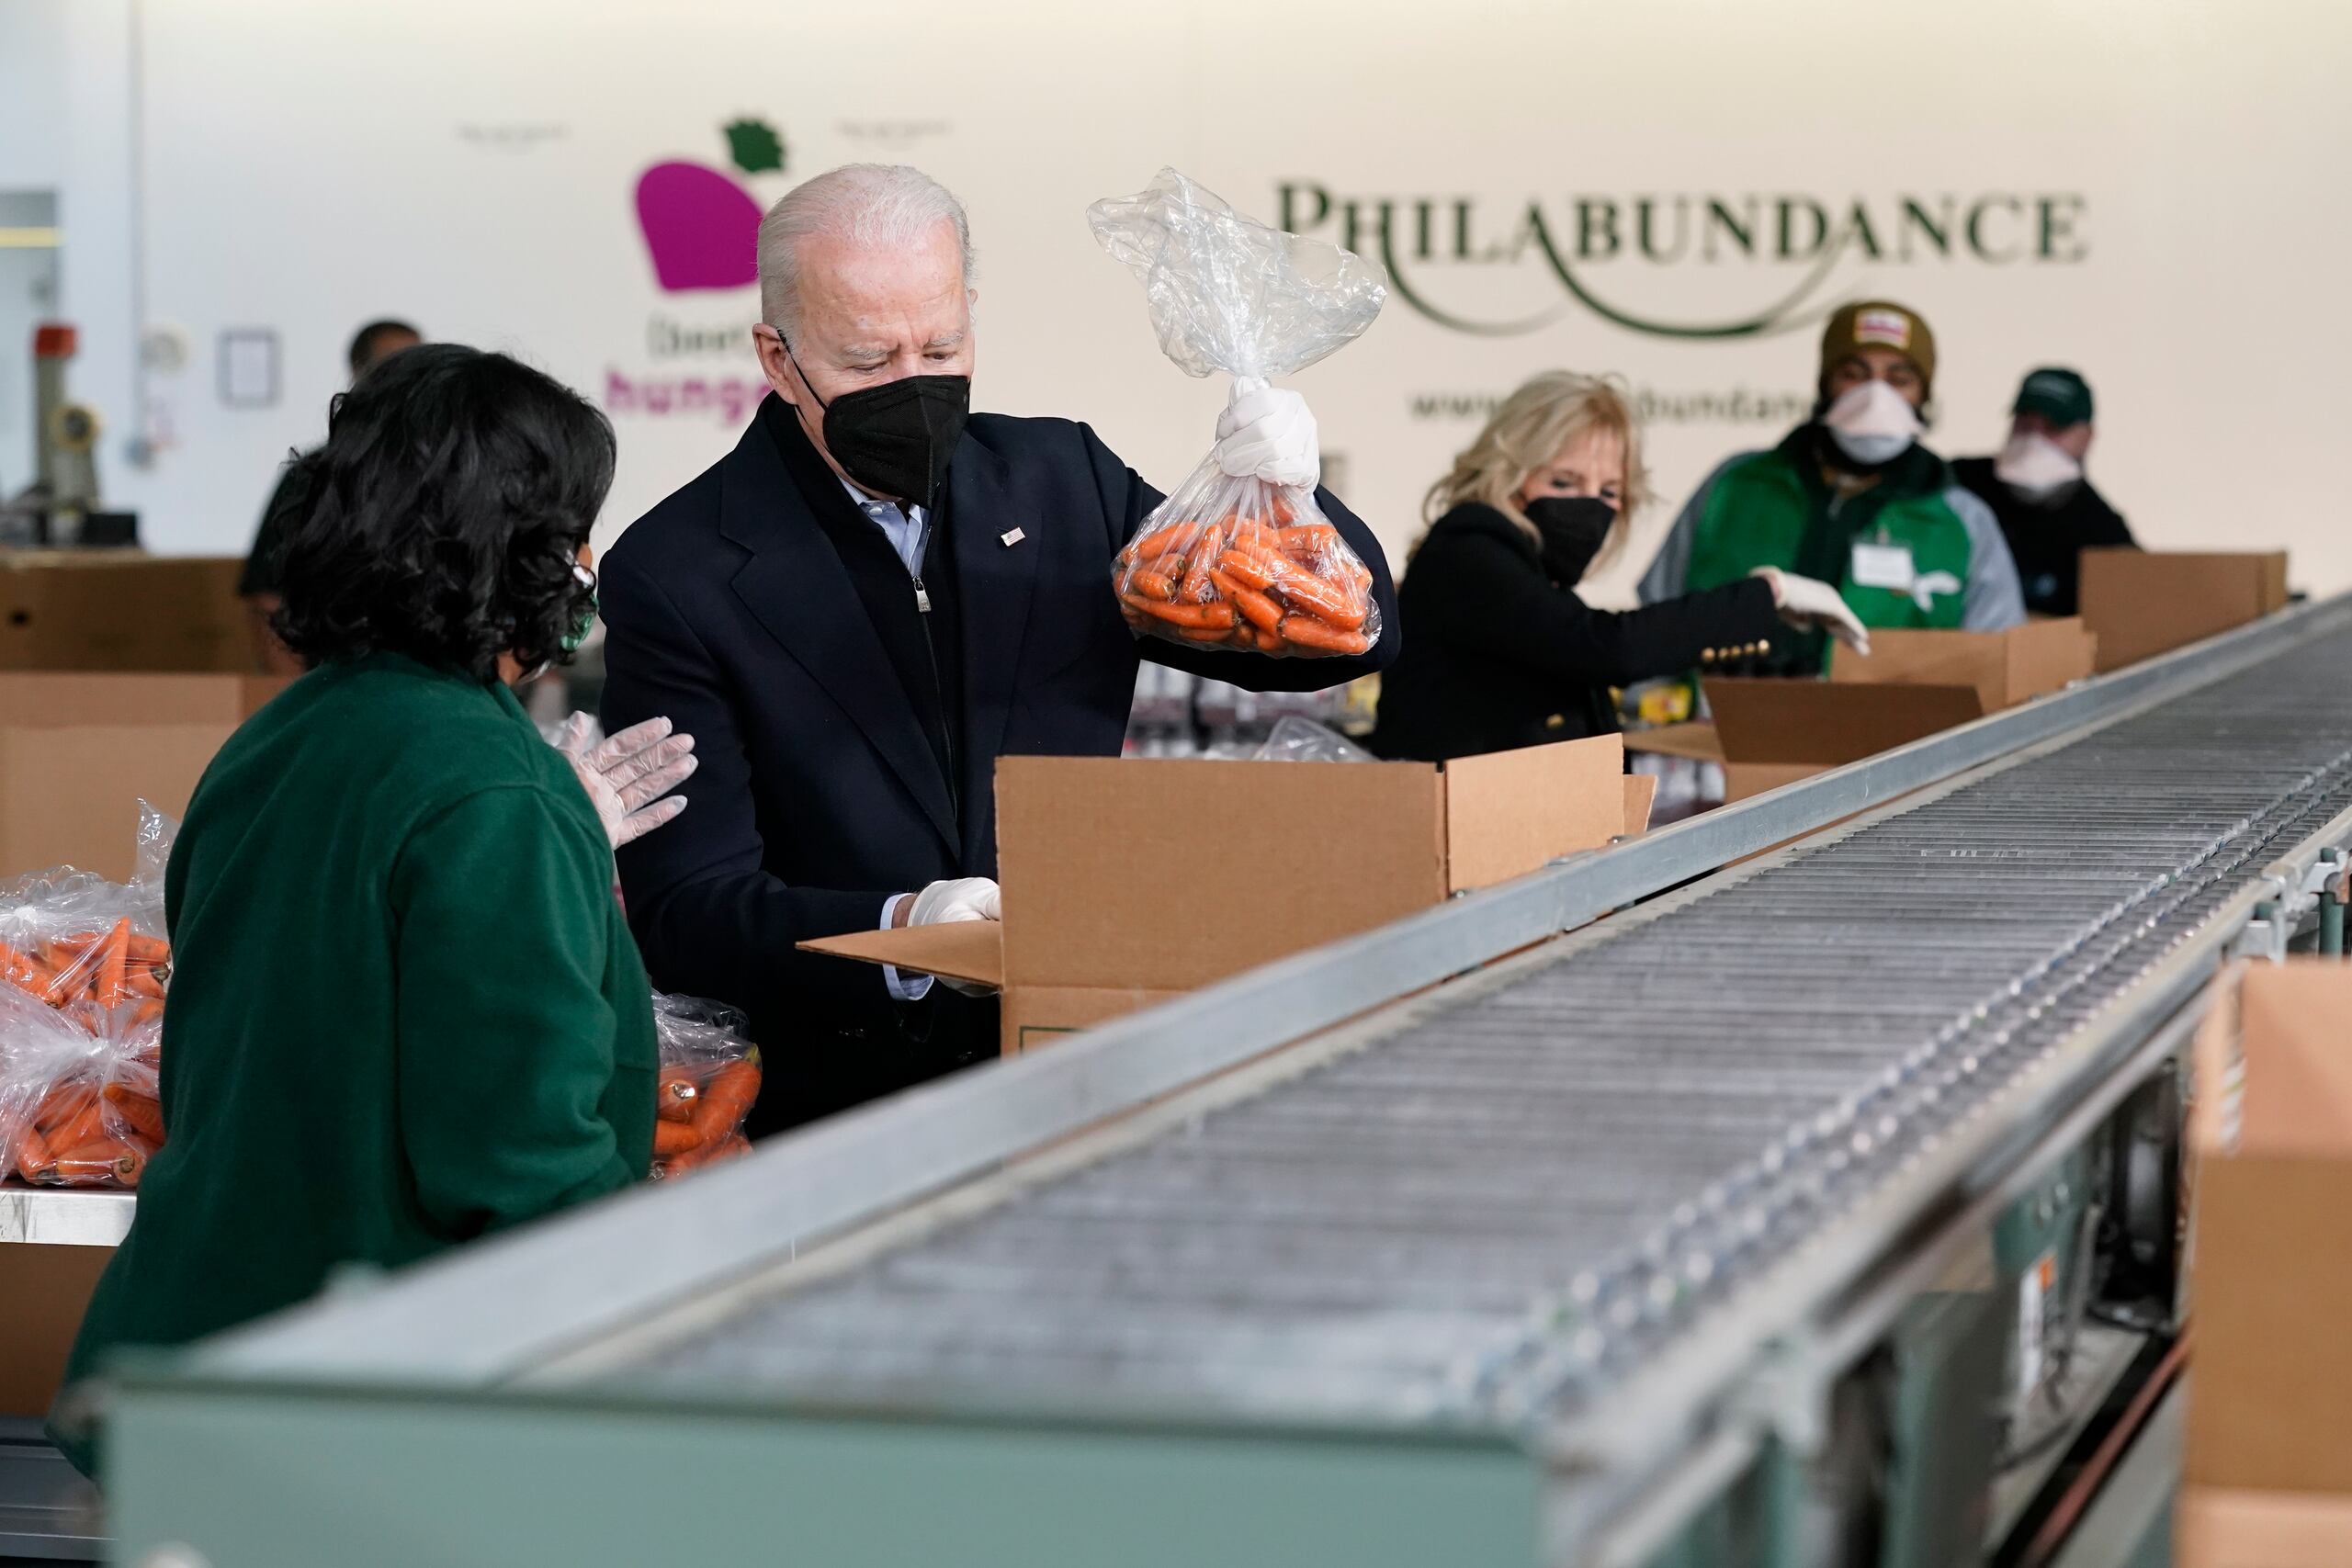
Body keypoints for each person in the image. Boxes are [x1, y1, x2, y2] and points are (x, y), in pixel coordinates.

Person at [600, 164, 1399, 1135]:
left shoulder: (1065, 484)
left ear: (971, 313)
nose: (912, 384)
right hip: (844, 1113)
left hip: (1081, 1064)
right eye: (864, 360)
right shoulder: (678, 571)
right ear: (778, 358)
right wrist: (899, 930)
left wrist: (1291, 502)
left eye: (941, 345)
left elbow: (1334, 645)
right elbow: (691, 910)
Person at [53, 344, 693, 1474]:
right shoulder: (496, 793)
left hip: (197, 1369)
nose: (588, 564)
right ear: (526, 549)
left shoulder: (278, 741)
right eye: (576, 531)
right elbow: (516, 1162)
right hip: (375, 1415)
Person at [1367, 372, 1867, 762]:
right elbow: (1610, 647)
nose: (1588, 508)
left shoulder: (1529, 573)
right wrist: (1767, 595)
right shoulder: (1469, 548)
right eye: (1563, 482)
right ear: (1506, 472)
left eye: (1608, 492)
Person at [1640, 300, 2026, 670]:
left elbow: (1998, 659)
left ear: (1924, 396)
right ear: (1825, 384)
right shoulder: (1736, 484)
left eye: (1900, 379)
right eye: (1854, 375)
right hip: (1714, 727)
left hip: (1894, 734)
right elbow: (1656, 613)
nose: (1876, 396)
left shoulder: (1960, 520)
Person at [240, 318, 423, 673]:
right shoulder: (317, 477)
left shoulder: (445, 477)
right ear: (358, 373)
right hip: (332, 681)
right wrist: (289, 693)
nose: (407, 382)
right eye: (392, 366)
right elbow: (268, 595)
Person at [1952, 367, 2134, 616]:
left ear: (2086, 437)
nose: (2034, 440)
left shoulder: (2102, 534)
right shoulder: (1957, 484)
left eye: (2053, 428)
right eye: (2025, 424)